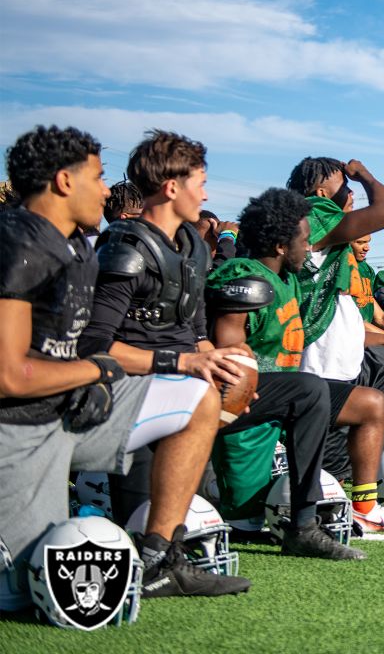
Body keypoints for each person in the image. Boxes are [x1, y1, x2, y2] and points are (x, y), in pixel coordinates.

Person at [0, 125, 250, 611]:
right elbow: (9, 376)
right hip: (20, 428)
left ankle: (159, 558)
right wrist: (98, 371)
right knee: (34, 597)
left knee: (200, 396)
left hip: (70, 412)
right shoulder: (16, 243)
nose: (108, 190)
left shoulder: (73, 245)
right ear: (64, 181)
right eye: (97, 176)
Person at [84, 130, 367, 558]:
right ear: (171, 187)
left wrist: (229, 367)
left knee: (307, 391)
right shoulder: (125, 248)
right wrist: (185, 363)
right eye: (200, 181)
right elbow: (97, 346)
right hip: (137, 387)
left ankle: (302, 525)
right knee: (142, 529)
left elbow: (197, 335)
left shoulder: (193, 247)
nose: (207, 192)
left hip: (191, 384)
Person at [207, 188, 384, 536]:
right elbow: (230, 361)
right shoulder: (246, 277)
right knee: (245, 521)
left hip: (284, 396)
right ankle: (294, 518)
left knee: (367, 402)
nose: (310, 248)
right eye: (305, 241)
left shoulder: (289, 279)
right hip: (245, 406)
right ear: (281, 245)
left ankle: (352, 510)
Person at [286, 156, 384, 528]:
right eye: (343, 183)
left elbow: (346, 316)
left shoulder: (331, 240)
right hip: (317, 367)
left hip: (339, 362)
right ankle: (360, 508)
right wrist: (365, 173)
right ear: (321, 191)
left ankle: (368, 504)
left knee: (372, 409)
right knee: (327, 466)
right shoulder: (317, 214)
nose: (351, 190)